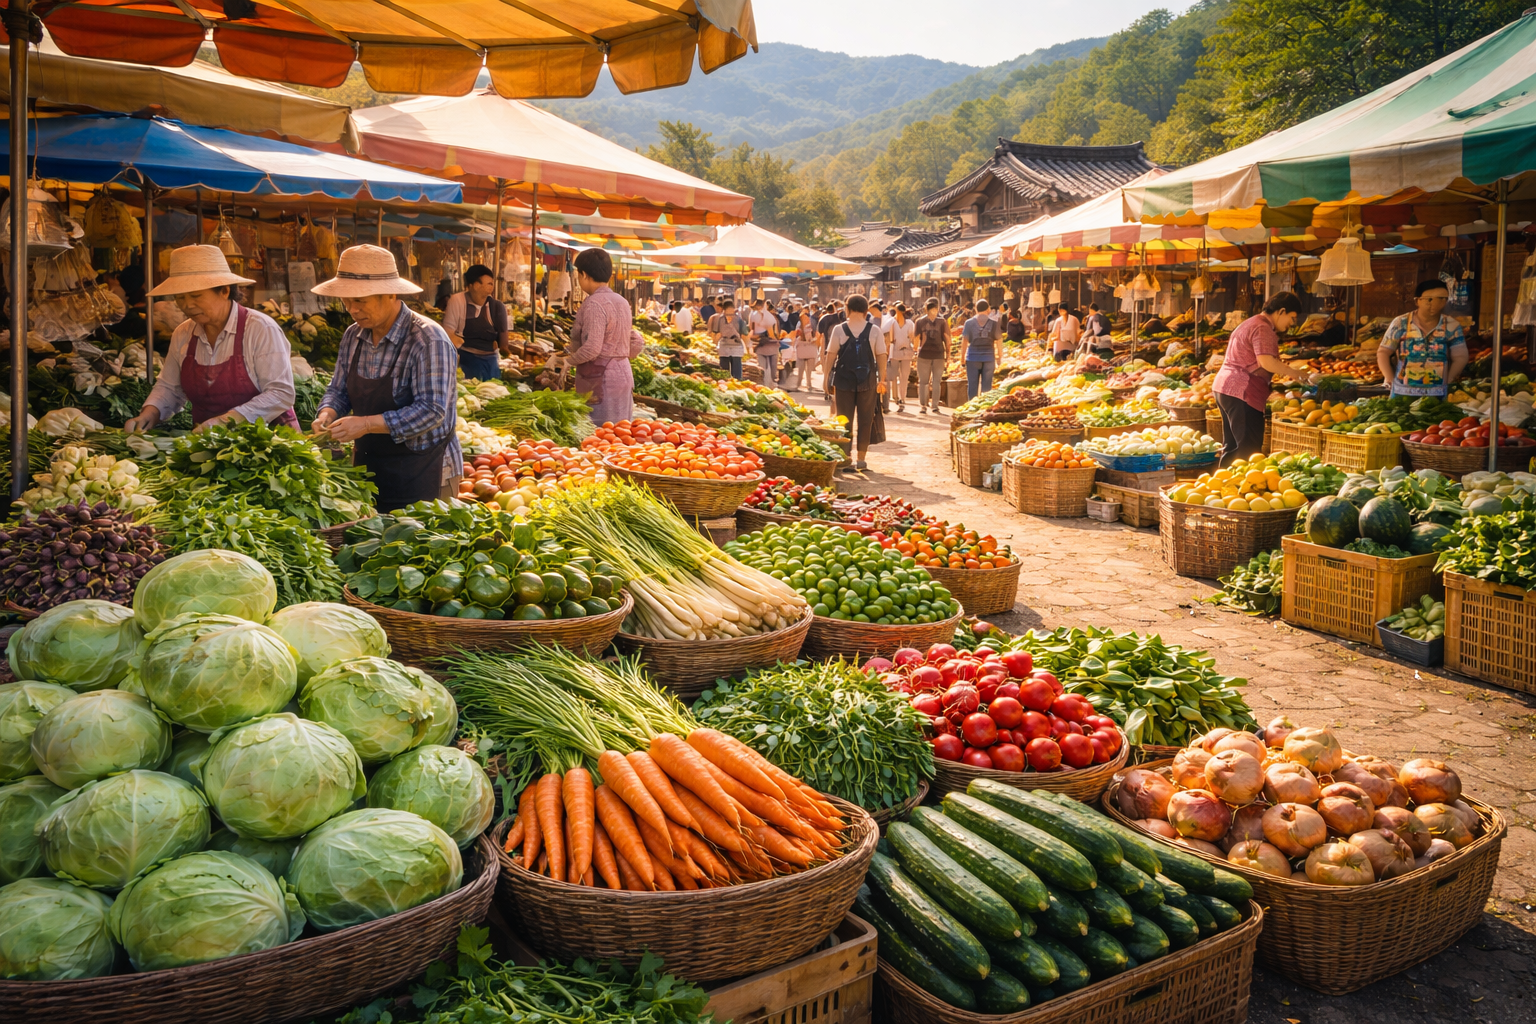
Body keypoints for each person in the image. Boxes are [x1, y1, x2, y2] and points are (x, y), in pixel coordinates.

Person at [311, 245, 460, 511]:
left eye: (360, 301)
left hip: (425, 470)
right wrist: (327, 414)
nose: (352, 309)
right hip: (371, 471)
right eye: (347, 301)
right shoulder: (352, 336)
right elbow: (338, 389)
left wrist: (366, 424)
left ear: (390, 294)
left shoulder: (428, 339)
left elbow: (431, 411)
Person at [124, 245, 297, 435]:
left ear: (224, 291)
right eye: (180, 298)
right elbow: (170, 387)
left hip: (269, 443)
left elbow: (281, 393)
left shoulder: (260, 328)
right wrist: (149, 414)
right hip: (208, 446)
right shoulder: (183, 334)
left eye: (196, 296)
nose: (187, 305)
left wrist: (225, 421)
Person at [558, 247, 647, 426]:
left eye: (577, 274)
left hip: (601, 379)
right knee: (619, 433)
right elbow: (634, 340)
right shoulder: (621, 301)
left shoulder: (593, 304)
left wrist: (569, 361)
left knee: (600, 434)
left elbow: (592, 348)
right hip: (622, 374)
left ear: (583, 274)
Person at [1213, 291, 1303, 465]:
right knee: (1248, 450)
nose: (1292, 323)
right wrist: (1297, 374)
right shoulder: (1263, 327)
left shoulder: (1250, 322)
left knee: (1232, 447)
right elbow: (1266, 361)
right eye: (1292, 317)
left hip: (1225, 388)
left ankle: (1222, 486)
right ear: (1281, 311)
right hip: (1242, 391)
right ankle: (1241, 488)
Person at [822, 294, 887, 472]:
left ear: (847, 309)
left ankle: (847, 458)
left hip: (843, 382)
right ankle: (861, 459)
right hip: (868, 382)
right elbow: (881, 355)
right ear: (867, 310)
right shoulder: (874, 331)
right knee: (866, 419)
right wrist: (882, 379)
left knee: (844, 419)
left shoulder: (839, 329)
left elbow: (831, 355)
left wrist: (826, 376)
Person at [1377, 280, 1468, 397]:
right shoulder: (1400, 323)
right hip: (1402, 392)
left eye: (1441, 299)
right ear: (1417, 300)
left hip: (1437, 395)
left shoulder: (1452, 325)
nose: (1435, 304)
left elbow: (1460, 357)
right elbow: (1383, 352)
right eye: (1429, 299)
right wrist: (1390, 379)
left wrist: (1448, 380)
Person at [441, 263, 509, 382]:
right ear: (475, 285)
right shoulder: (457, 301)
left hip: (491, 363)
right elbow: (447, 334)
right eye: (489, 283)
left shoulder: (498, 307)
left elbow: (504, 344)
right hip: (466, 362)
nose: (492, 287)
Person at [914, 297, 951, 414]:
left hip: (923, 355)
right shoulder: (942, 322)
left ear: (926, 308)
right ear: (937, 308)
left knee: (923, 381)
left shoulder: (919, 321)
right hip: (939, 354)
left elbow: (915, 340)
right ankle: (934, 406)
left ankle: (923, 406)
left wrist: (915, 351)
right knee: (936, 381)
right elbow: (947, 339)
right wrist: (948, 354)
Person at [961, 299, 1002, 399]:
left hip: (972, 358)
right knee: (987, 390)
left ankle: (971, 409)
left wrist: (962, 357)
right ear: (988, 309)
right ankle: (983, 411)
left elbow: (964, 341)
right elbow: (999, 340)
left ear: (975, 309)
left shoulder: (968, 323)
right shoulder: (994, 323)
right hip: (989, 359)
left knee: (972, 387)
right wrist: (999, 357)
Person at [885, 303, 916, 413]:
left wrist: (914, 348)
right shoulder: (892, 322)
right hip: (895, 353)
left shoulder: (909, 323)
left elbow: (912, 337)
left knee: (904, 377)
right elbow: (884, 330)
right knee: (893, 376)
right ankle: (894, 398)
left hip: (906, 353)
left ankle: (902, 399)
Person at [709, 298, 748, 379]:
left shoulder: (739, 320)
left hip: (736, 346)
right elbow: (716, 333)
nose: (730, 315)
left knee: (737, 372)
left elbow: (744, 334)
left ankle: (737, 385)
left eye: (732, 312)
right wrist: (715, 345)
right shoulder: (719, 319)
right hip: (724, 346)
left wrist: (746, 347)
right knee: (724, 372)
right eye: (728, 312)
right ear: (724, 310)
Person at [791, 310, 820, 391]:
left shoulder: (810, 326)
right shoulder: (801, 326)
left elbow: (814, 338)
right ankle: (801, 384)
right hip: (805, 348)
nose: (805, 319)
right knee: (802, 368)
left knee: (808, 370)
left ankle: (808, 384)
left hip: (807, 348)